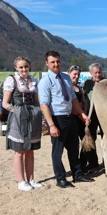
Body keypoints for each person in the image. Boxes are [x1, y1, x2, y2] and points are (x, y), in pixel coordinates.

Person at [38, 51, 94, 188]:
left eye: (58, 61)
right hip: (57, 118)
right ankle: (61, 178)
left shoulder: (66, 78)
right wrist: (51, 125)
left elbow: (73, 99)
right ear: (47, 63)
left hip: (71, 117)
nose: (56, 64)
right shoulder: (45, 81)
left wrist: (81, 114)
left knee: (74, 148)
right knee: (58, 151)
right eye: (53, 62)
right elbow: (44, 105)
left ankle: (78, 174)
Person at [2, 57, 43, 191]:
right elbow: (5, 103)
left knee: (30, 150)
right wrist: (16, 112)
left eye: (26, 66)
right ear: (16, 68)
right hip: (19, 118)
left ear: (29, 66)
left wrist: (38, 113)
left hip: (33, 117)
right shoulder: (11, 80)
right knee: (20, 151)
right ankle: (21, 181)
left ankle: (31, 179)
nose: (24, 69)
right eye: (21, 67)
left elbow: (36, 102)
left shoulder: (34, 81)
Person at [82, 63, 104, 172]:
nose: (98, 74)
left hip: (105, 114)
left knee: (106, 138)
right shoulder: (87, 83)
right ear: (91, 73)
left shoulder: (106, 82)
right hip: (92, 114)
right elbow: (84, 97)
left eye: (99, 72)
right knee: (91, 138)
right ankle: (93, 162)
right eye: (96, 73)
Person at [67, 65, 87, 149]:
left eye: (78, 74)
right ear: (69, 73)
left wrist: (84, 114)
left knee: (85, 140)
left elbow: (84, 102)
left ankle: (83, 161)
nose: (77, 76)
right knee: (74, 142)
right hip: (73, 117)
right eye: (74, 74)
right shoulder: (67, 87)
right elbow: (69, 104)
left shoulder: (79, 87)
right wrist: (80, 115)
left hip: (81, 117)